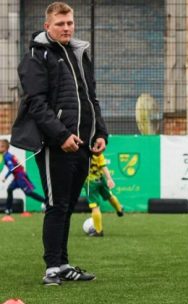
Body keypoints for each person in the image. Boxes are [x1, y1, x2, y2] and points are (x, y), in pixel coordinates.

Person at [16, 2, 108, 285]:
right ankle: (52, 268)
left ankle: (63, 263)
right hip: (55, 145)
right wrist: (61, 136)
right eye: (60, 24)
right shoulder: (37, 56)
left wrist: (100, 133)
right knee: (56, 205)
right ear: (48, 27)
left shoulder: (79, 54)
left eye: (69, 23)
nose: (66, 28)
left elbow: (90, 99)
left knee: (67, 206)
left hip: (82, 144)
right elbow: (36, 104)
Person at [1, 139, 46, 220]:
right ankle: (8, 210)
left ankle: (46, 201)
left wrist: (5, 177)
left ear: (6, 148)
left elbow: (12, 168)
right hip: (17, 177)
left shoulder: (7, 156)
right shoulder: (7, 155)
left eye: (1, 146)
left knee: (28, 193)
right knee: (9, 189)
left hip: (20, 177)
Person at [83, 153, 124, 237]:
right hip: (101, 179)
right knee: (109, 196)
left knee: (95, 207)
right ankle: (119, 210)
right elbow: (103, 166)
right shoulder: (98, 152)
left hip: (90, 182)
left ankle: (98, 231)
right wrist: (109, 179)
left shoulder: (81, 153)